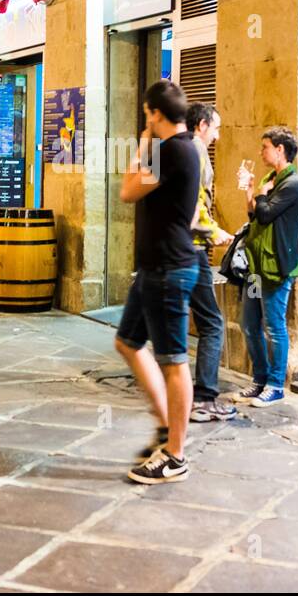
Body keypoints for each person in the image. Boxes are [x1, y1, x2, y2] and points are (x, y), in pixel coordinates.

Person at [114, 80, 202, 485]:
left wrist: (145, 140)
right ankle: (167, 425)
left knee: (174, 361)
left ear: (153, 113)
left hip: (168, 270)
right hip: (155, 268)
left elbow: (128, 191)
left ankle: (176, 454)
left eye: (147, 114)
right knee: (128, 342)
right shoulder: (184, 148)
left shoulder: (172, 150)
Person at [233, 126, 298, 407]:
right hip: (256, 266)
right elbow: (253, 213)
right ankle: (260, 379)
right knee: (250, 324)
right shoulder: (270, 178)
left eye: (265, 147)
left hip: (276, 267)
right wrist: (251, 191)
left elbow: (265, 214)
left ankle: (276, 385)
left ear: (280, 149)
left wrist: (262, 193)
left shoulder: (293, 184)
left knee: (274, 327)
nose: (261, 152)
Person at [185, 103, 237, 422]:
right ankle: (204, 399)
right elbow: (194, 204)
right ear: (202, 125)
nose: (217, 136)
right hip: (191, 250)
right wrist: (213, 231)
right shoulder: (197, 152)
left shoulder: (176, 150)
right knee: (213, 323)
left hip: (174, 250)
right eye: (215, 129)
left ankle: (175, 392)